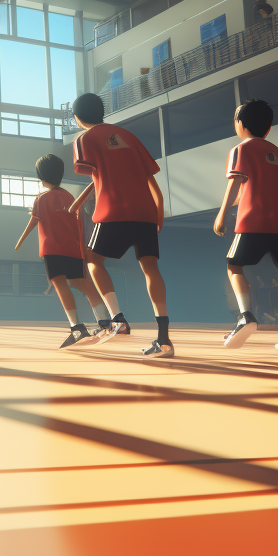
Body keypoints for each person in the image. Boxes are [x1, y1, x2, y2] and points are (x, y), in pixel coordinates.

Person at [68, 93, 175, 358]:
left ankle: (117, 318)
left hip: (114, 210)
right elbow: (146, 176)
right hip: (145, 211)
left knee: (92, 260)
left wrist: (79, 203)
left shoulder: (84, 139)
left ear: (78, 118)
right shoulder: (128, 136)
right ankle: (164, 339)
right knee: (150, 268)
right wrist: (159, 208)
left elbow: (95, 173)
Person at [213, 100, 278, 351]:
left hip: (254, 219)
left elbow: (235, 183)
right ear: (268, 128)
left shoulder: (241, 149)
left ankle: (246, 316)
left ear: (240, 124)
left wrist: (221, 215)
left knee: (234, 267)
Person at [15, 154, 111, 349]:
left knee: (59, 284)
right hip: (73, 248)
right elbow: (79, 222)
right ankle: (104, 321)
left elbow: (33, 222)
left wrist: (20, 241)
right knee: (81, 282)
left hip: (52, 249)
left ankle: (76, 327)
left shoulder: (41, 199)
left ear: (41, 176)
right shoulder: (69, 196)